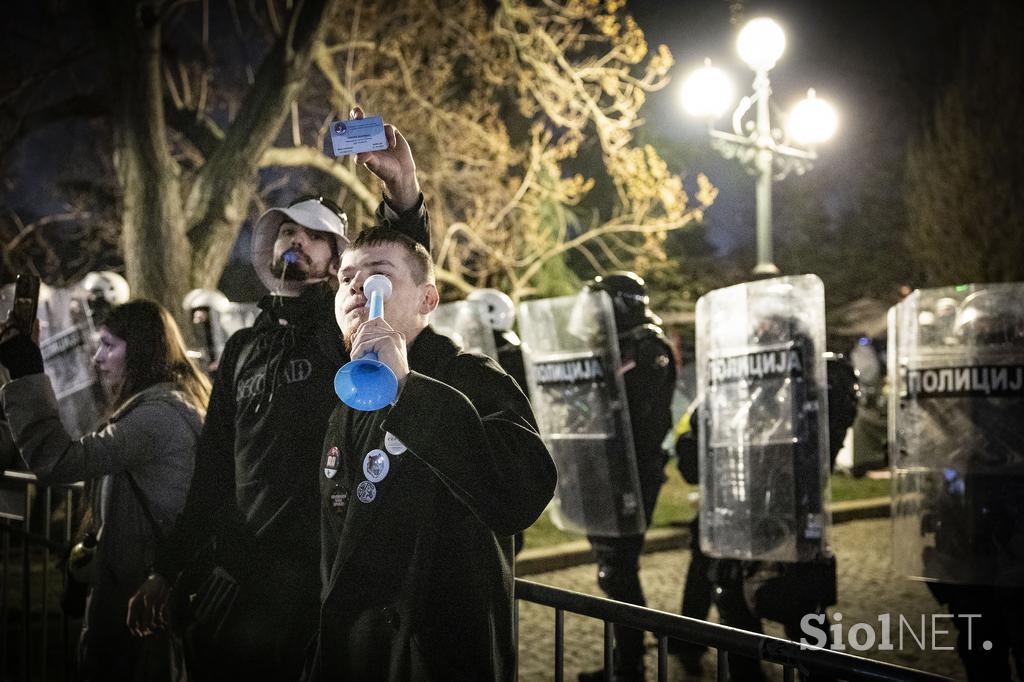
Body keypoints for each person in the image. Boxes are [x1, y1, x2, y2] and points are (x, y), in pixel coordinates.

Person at [127, 109, 431, 681]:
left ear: (339, 264)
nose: (299, 239)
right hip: (235, 579)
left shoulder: (346, 336)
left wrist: (404, 197)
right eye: (290, 229)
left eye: (317, 235)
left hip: (314, 591)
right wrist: (167, 570)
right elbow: (214, 466)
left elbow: (400, 283)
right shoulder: (244, 346)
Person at [309, 226, 556, 681]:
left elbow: (521, 492)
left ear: (428, 300)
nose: (357, 287)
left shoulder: (472, 376)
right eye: (345, 279)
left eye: (378, 276)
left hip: (439, 655)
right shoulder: (347, 399)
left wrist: (409, 389)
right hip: (365, 655)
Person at [0, 299, 210, 681]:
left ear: (142, 351)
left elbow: (57, 460)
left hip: (140, 602)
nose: (97, 357)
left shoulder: (155, 417)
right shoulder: (166, 406)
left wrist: (25, 370)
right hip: (147, 592)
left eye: (109, 345)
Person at [578, 272, 676, 682]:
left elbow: (643, 420)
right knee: (613, 568)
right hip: (610, 471)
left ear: (620, 305)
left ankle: (631, 666)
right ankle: (625, 660)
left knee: (619, 570)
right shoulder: (618, 347)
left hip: (634, 475)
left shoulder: (648, 348)